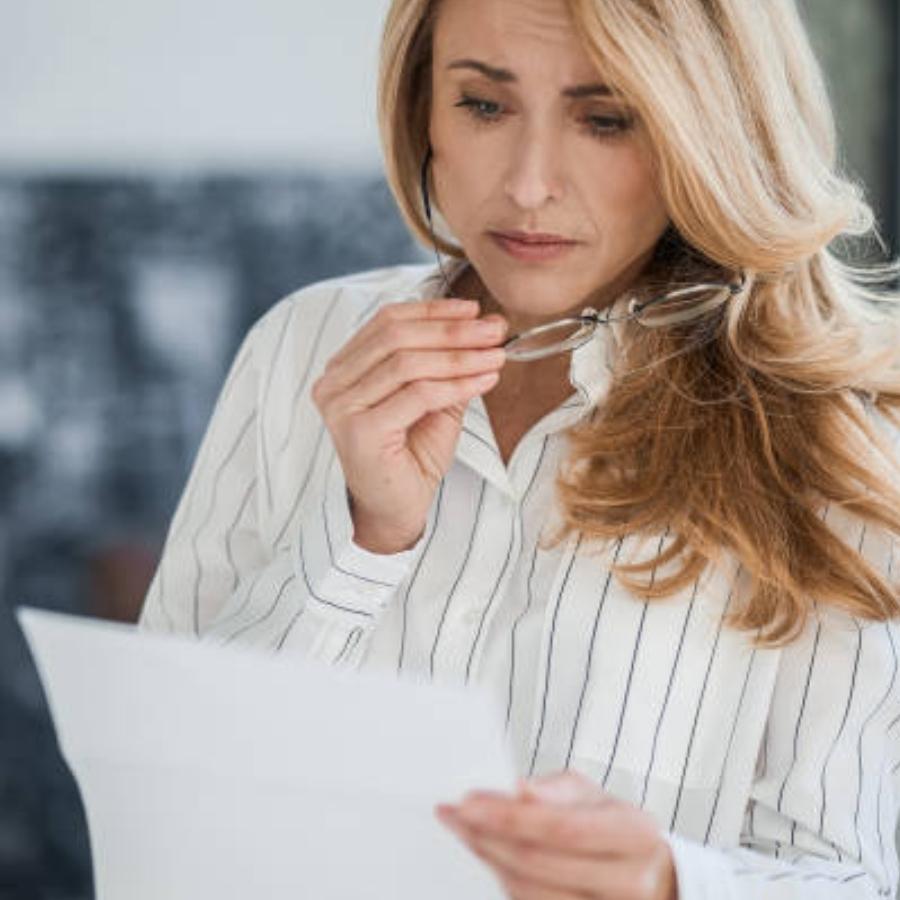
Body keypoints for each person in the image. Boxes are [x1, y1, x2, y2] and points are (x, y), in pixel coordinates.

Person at [137, 0, 900, 897]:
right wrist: (362, 538)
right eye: (485, 106)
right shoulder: (302, 346)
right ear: (422, 111)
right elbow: (153, 789)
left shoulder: (844, 441)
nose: (530, 185)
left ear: (710, 131)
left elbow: (853, 876)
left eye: (605, 119)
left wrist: (670, 882)